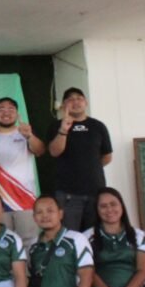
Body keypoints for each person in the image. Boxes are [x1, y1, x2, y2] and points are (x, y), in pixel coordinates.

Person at [0, 97, 44, 247]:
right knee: (2, 244)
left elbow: (40, 151)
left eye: (10, 109)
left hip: (25, 200)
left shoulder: (25, 133)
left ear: (17, 113)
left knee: (29, 243)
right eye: (1, 109)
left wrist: (29, 136)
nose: (6, 112)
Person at [46, 88, 113, 232]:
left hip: (95, 191)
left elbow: (107, 156)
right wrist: (63, 130)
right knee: (69, 235)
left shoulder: (98, 126)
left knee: (95, 235)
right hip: (67, 193)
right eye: (70, 99)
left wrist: (89, 167)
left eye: (79, 98)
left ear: (86, 102)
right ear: (64, 105)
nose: (75, 102)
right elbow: (54, 152)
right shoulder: (56, 126)